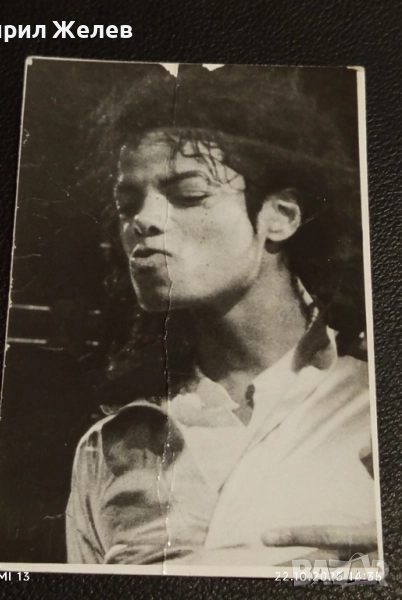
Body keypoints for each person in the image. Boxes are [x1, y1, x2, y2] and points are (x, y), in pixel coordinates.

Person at [66, 64, 378, 567]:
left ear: (281, 216)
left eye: (188, 194)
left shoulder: (374, 402)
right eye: (127, 204)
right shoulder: (107, 447)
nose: (143, 220)